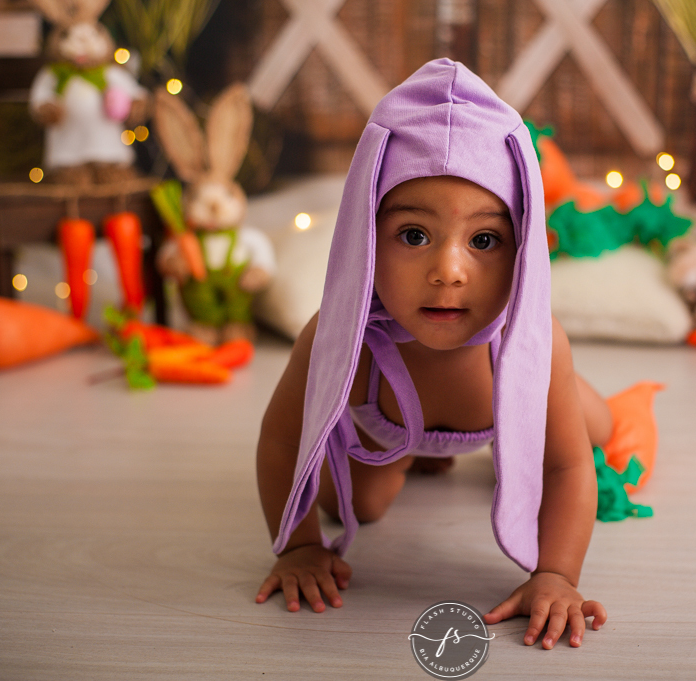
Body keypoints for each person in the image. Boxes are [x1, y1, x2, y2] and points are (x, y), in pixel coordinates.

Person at [255, 59, 614, 649]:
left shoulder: (535, 345)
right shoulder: (341, 340)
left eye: (485, 240)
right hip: (391, 424)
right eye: (414, 235)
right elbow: (280, 443)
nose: (448, 271)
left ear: (523, 247)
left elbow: (563, 468)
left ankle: (588, 410)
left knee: (593, 429)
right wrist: (299, 547)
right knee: (362, 507)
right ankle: (412, 454)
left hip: (504, 410)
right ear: (365, 237)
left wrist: (555, 574)